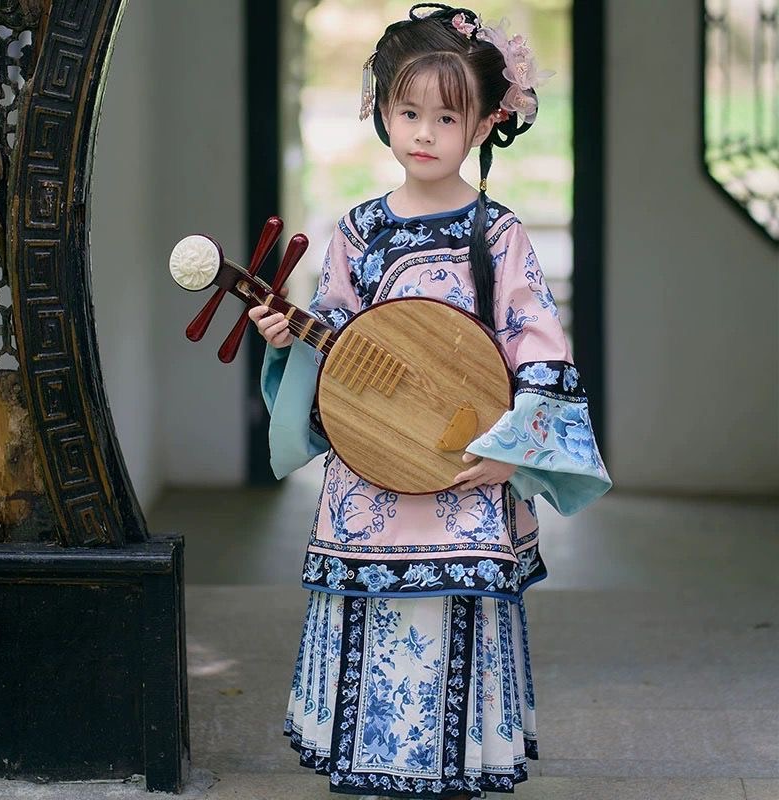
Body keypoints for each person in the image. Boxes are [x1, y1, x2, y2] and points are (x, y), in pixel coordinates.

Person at [249, 4, 612, 797]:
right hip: (372, 477)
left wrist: (505, 452)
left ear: (483, 123)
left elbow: (543, 354)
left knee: (454, 627)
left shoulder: (499, 236)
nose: (423, 131)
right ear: (383, 112)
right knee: (368, 628)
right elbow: (338, 346)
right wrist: (288, 343)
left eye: (446, 115)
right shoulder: (357, 232)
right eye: (407, 111)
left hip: (464, 481)